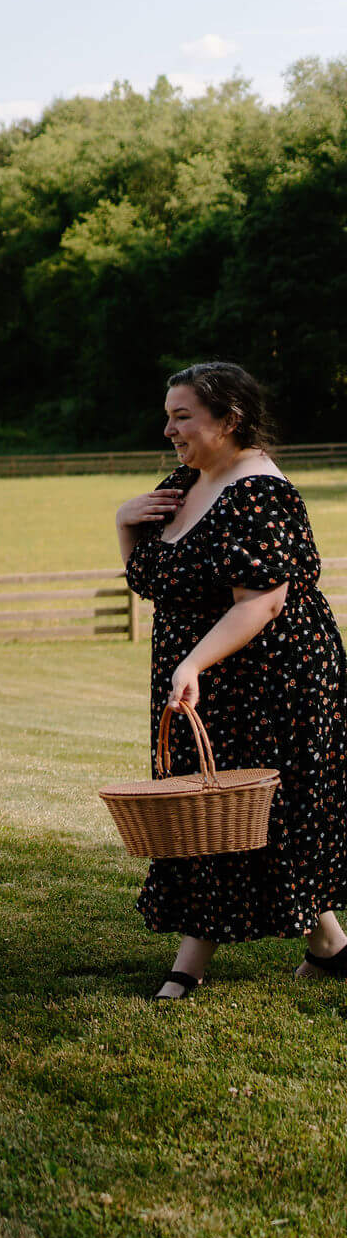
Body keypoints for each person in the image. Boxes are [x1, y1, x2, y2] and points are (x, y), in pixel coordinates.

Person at [116, 362, 347, 999]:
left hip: (271, 674)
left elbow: (262, 602)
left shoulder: (262, 493)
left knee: (247, 809)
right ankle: (329, 945)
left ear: (230, 419)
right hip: (204, 671)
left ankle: (189, 962)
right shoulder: (187, 482)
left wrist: (190, 663)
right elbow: (152, 582)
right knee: (215, 808)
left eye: (182, 415)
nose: (168, 428)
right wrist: (124, 523)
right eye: (168, 414)